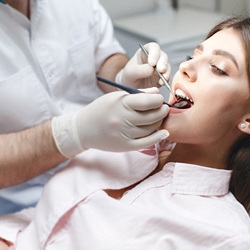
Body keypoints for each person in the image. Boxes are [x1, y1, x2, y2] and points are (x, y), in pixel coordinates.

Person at [1, 15, 250, 250]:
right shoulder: (119, 143)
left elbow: (106, 56)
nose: (185, 67)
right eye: (191, 55)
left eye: (218, 68)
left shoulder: (227, 237)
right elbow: (46, 218)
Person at [0, 0, 171, 214]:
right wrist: (73, 133)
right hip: (23, 207)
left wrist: (124, 75)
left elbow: (105, 54)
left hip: (102, 183)